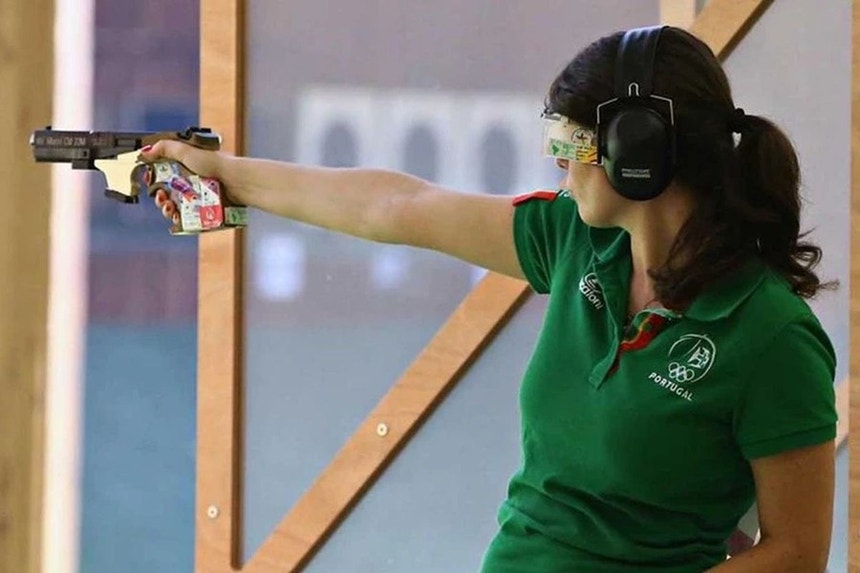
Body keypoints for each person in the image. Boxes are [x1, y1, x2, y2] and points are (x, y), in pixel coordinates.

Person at [141, 25, 838, 573]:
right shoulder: (577, 240)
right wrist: (224, 173)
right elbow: (397, 206)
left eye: (571, 142)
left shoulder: (771, 335)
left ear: (639, 149)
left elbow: (797, 554)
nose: (557, 162)